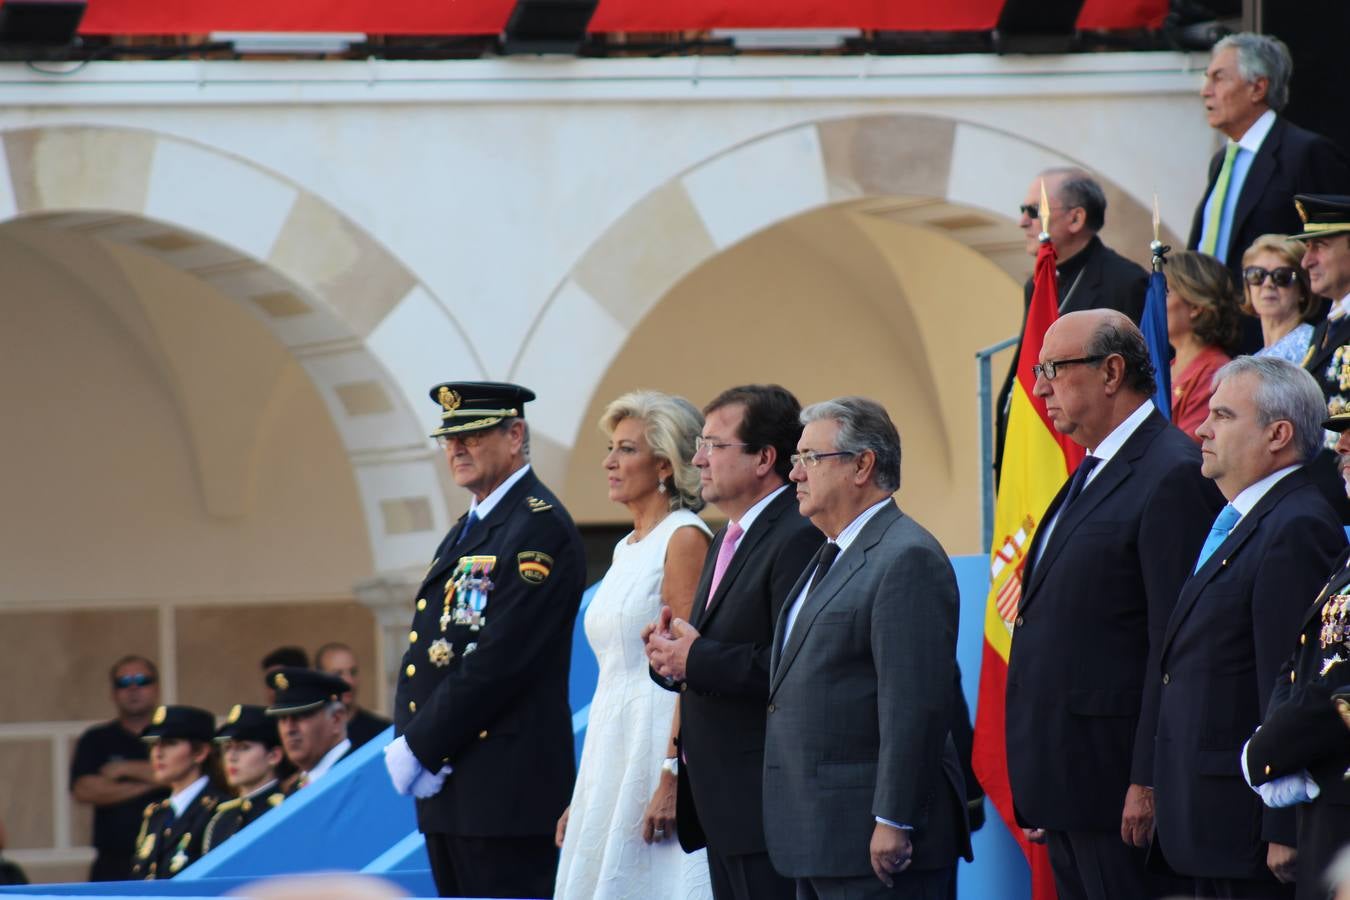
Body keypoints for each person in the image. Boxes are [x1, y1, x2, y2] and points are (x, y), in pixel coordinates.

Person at [1005, 309, 1224, 900]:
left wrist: (1147, 778)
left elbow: (1173, 641)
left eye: (1053, 368)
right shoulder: (1092, 471)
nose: (1040, 385)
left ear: (1111, 372)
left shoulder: (1172, 472)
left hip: (1117, 789)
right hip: (1072, 784)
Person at [1151, 356, 1345, 898]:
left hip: (1248, 829)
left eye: (1223, 415)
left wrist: (1282, 826)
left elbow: (1293, 678)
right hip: (1211, 821)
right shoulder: (1248, 518)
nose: (1201, 428)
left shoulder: (1296, 525)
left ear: (1277, 435)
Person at [383, 381, 585, 900]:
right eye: (449, 439)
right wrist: (413, 738)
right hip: (453, 783)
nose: (456, 448)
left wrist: (423, 743)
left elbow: (502, 656)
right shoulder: (470, 527)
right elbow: (428, 647)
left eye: (471, 435)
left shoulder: (538, 527)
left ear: (515, 434)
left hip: (504, 789)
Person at [763, 396, 971, 899]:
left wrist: (893, 818)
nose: (795, 475)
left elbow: (913, 705)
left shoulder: (906, 557)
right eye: (796, 460)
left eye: (810, 458)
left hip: (876, 845)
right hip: (822, 837)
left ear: (862, 465)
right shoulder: (831, 554)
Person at [643, 384, 822, 900]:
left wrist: (695, 657)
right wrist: (669, 655)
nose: (698, 458)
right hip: (724, 805)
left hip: (765, 801)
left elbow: (791, 666)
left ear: (765, 457)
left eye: (714, 446)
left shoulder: (798, 533)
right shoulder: (727, 534)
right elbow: (708, 649)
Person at [554, 390, 712, 899]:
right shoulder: (626, 548)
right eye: (611, 448)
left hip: (654, 742)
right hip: (612, 743)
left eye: (625, 449)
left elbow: (688, 670)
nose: (609, 462)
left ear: (664, 463)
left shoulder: (684, 537)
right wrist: (586, 793)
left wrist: (671, 776)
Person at [1243, 405, 1350, 900]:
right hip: (1325, 807)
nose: (1342, 449)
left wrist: (1267, 751)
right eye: (1341, 437)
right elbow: (1301, 656)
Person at [995, 168, 1149, 479]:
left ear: (1076, 219)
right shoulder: (1038, 284)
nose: (1023, 221)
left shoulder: (1125, 281)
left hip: (1083, 455)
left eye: (1033, 211)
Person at [1189, 34, 1350, 275]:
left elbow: (1333, 253)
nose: (1206, 91)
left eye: (1218, 78)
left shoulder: (1307, 153)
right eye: (1206, 79)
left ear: (1257, 88)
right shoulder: (1222, 160)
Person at [69, 655, 169, 881]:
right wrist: (155, 780)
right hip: (113, 862)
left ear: (157, 688)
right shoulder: (96, 739)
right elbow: (84, 790)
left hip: (168, 856)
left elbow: (196, 776)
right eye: (123, 682)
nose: (133, 688)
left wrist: (126, 769)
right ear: (112, 692)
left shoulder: (172, 736)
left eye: (142, 680)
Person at [129, 705, 231, 880]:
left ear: (200, 752)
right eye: (154, 744)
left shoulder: (221, 810)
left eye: (170, 744)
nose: (157, 753)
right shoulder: (156, 813)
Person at [1165, 250, 1242, 443]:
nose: (1152, 302)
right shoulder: (1166, 367)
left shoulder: (1215, 374)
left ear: (1195, 307)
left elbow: (1182, 451)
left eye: (1165, 292)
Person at [203, 704, 286, 853]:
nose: (231, 757)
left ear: (274, 756)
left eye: (244, 747)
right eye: (227, 748)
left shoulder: (284, 809)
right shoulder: (221, 819)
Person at [265, 668, 352, 792]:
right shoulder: (295, 789)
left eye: (301, 715)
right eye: (283, 718)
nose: (289, 729)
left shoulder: (358, 774)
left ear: (336, 719)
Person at [1242, 234, 1318, 364]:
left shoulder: (1313, 346)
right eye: (1257, 274)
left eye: (1281, 276)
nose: (1267, 284)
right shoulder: (1257, 358)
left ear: (1303, 289)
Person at [315, 642, 391, 749]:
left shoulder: (381, 733)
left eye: (353, 672)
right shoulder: (312, 735)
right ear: (319, 679)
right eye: (338, 674)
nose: (349, 681)